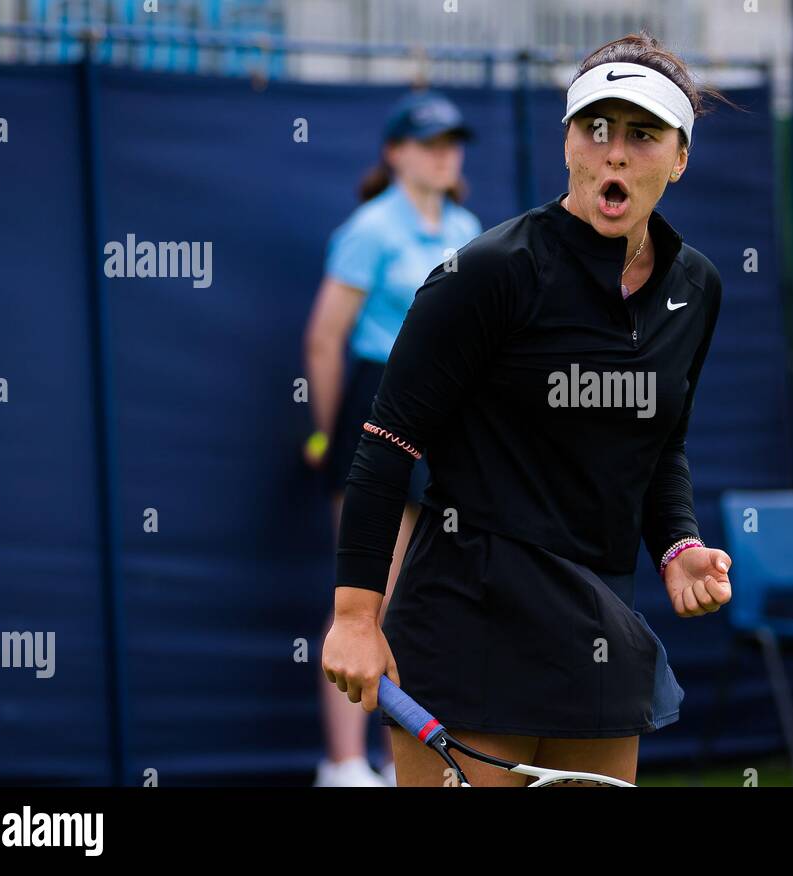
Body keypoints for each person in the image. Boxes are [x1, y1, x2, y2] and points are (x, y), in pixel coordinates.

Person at [321, 31, 734, 787]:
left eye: (643, 136)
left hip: (602, 629)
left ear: (679, 158)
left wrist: (679, 545)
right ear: (569, 142)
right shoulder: (487, 274)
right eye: (596, 129)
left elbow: (661, 441)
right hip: (470, 618)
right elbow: (385, 447)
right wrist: (355, 618)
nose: (615, 153)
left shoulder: (696, 288)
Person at [302, 91, 481, 786]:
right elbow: (324, 338)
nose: (444, 154)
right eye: (429, 142)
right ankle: (344, 765)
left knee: (420, 604)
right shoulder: (370, 229)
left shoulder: (468, 226)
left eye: (452, 141)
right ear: (395, 153)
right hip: (374, 412)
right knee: (363, 597)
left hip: (447, 420)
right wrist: (327, 439)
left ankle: (396, 761)